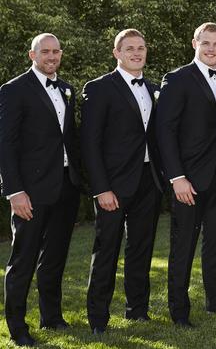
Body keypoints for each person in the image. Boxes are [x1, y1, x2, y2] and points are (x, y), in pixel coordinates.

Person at [0, 33, 81, 347]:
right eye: (45, 51)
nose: (51, 56)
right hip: (30, 192)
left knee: (55, 258)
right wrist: (14, 192)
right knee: (23, 260)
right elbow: (5, 145)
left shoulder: (66, 88)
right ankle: (18, 328)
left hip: (65, 186)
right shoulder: (14, 90)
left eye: (56, 51)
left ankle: (52, 317)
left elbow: (68, 139)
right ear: (32, 55)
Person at [81, 28, 163, 334]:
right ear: (117, 53)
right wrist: (101, 188)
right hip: (113, 185)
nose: (136, 53)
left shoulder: (154, 88)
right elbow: (89, 143)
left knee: (141, 248)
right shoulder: (100, 88)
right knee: (106, 251)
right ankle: (98, 318)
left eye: (141, 48)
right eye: (129, 48)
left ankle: (136, 310)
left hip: (148, 180)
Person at [156, 22, 216, 327]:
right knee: (183, 244)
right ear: (195, 44)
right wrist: (177, 177)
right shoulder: (176, 79)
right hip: (188, 178)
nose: (211, 49)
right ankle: (179, 310)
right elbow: (165, 131)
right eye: (206, 43)